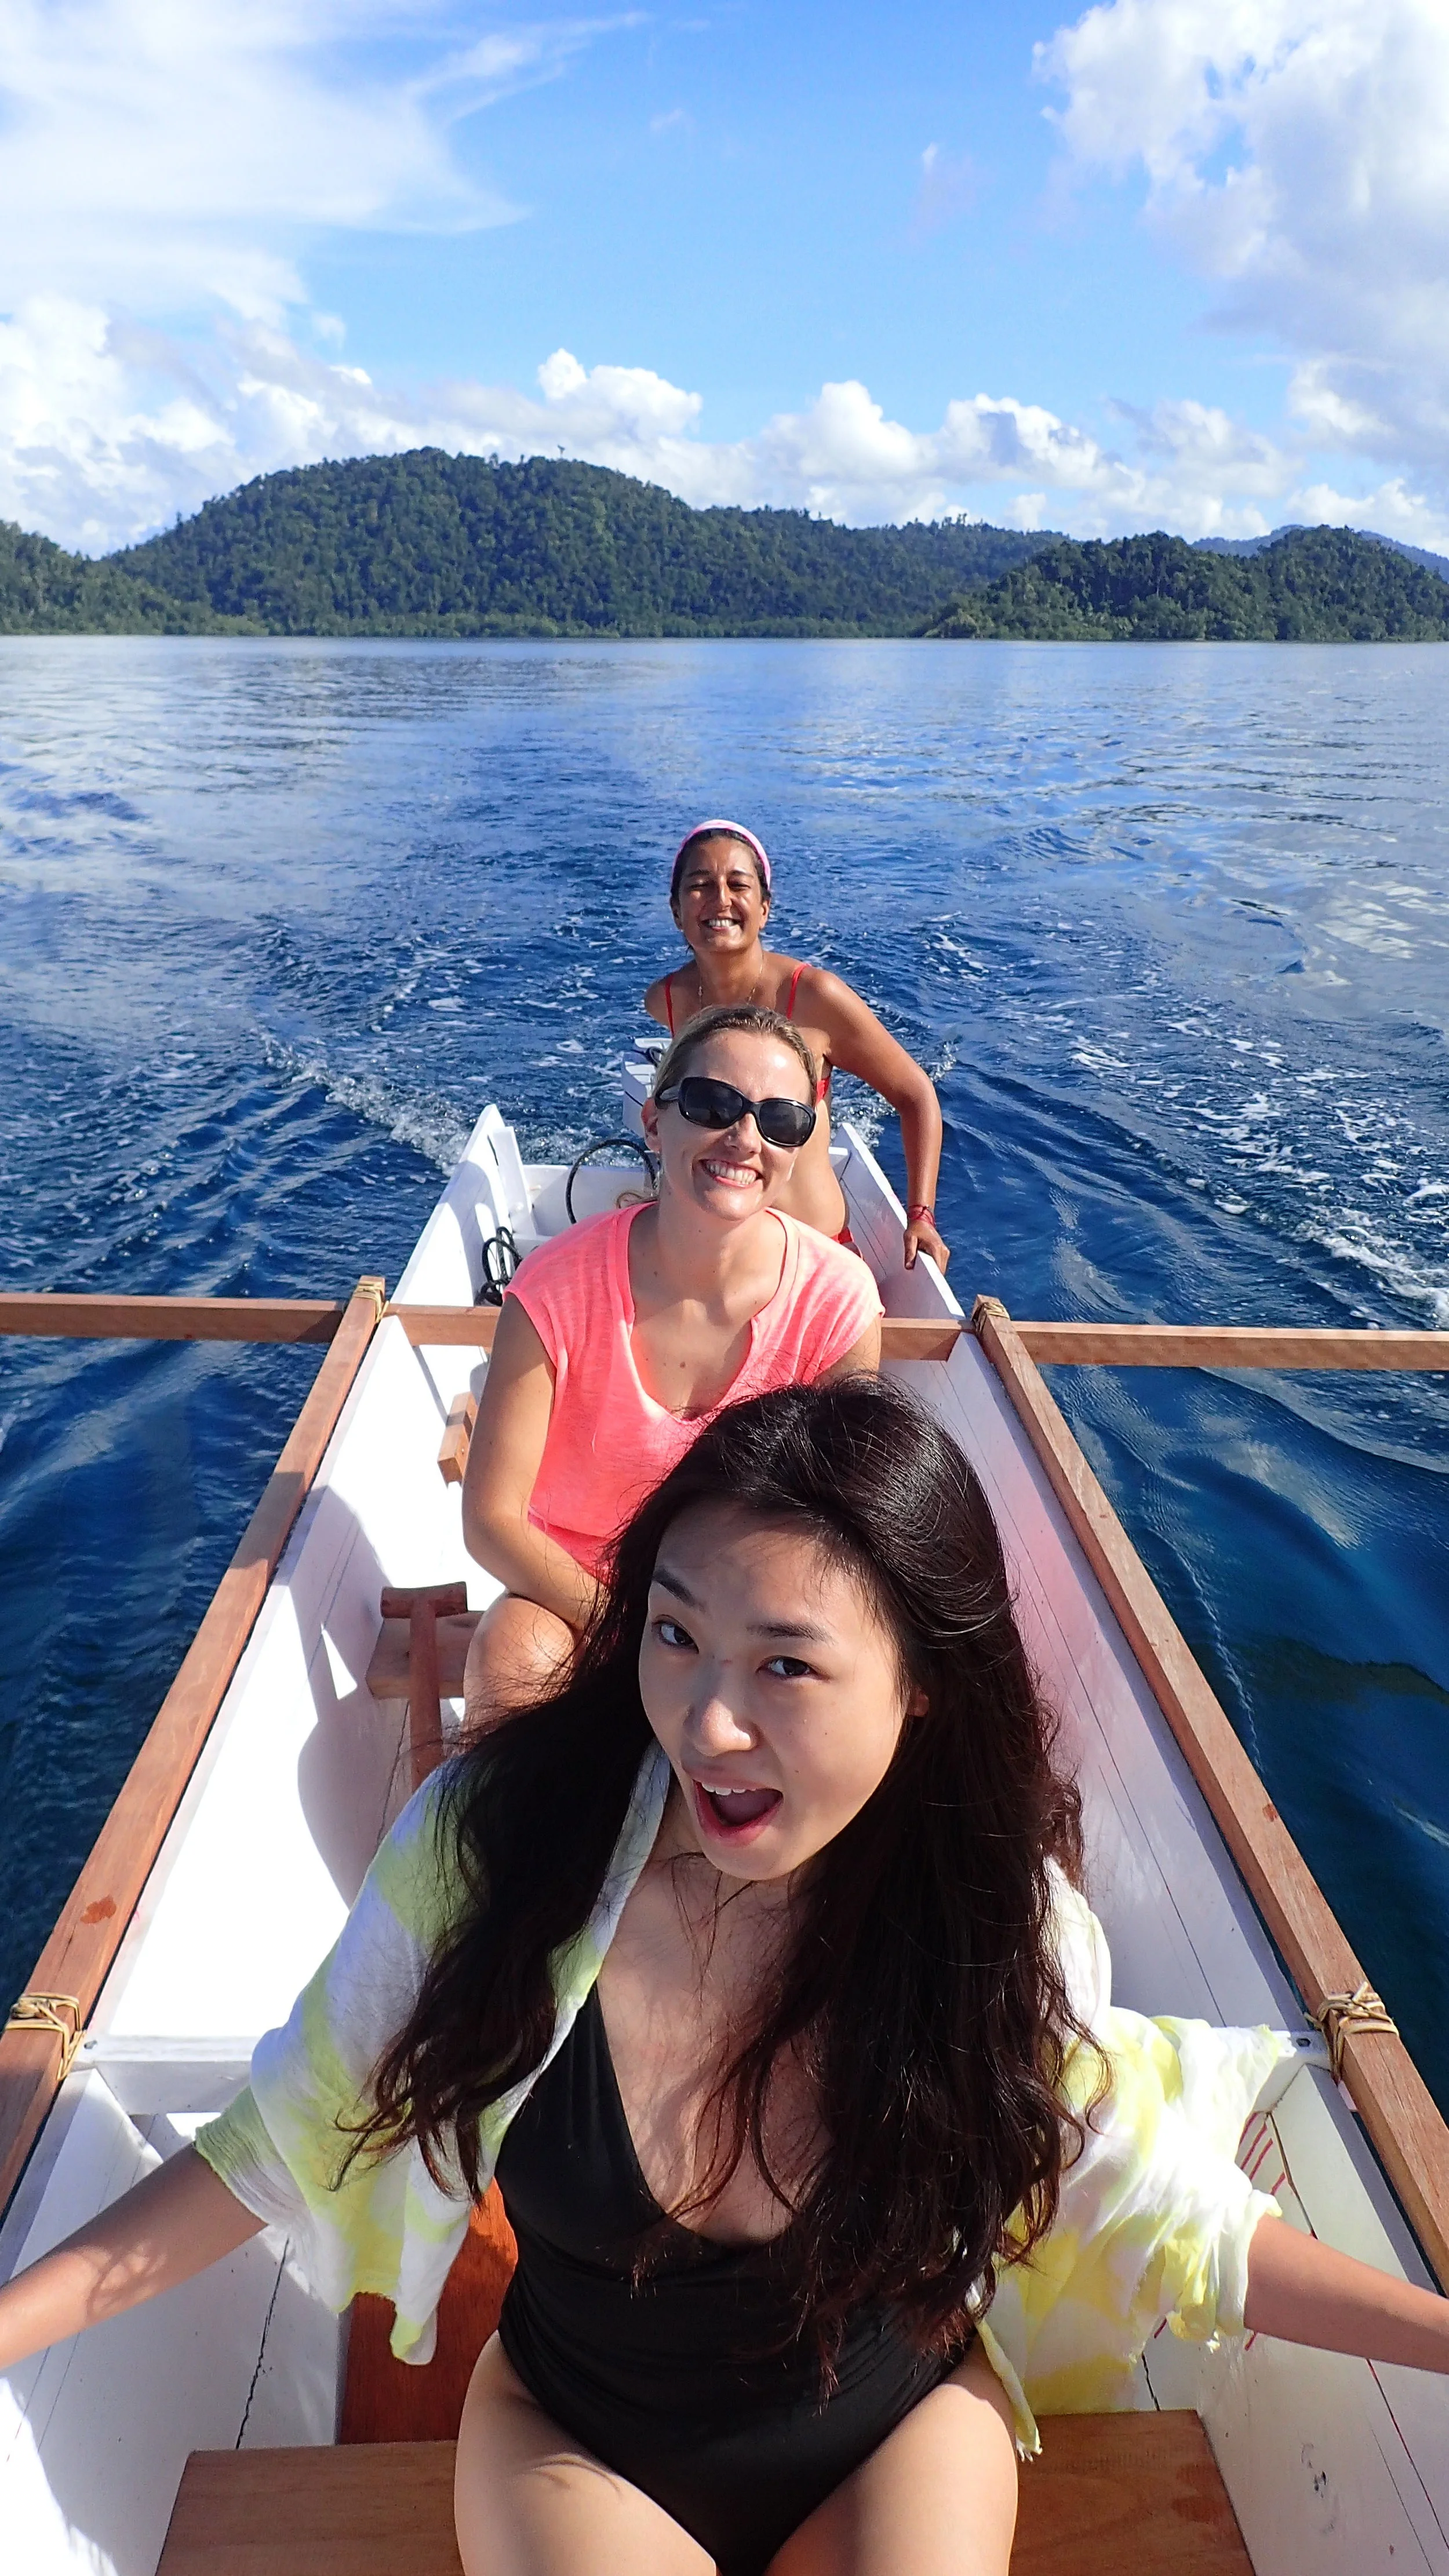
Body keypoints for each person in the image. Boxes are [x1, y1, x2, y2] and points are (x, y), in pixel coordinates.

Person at [3, 1378, 1446, 2576]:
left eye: (786, 1667)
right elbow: (279, 2140)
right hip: (578, 2436)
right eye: (677, 1631)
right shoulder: (499, 1851)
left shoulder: (991, 1923)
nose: (706, 1719)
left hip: (898, 2431)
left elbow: (1175, 2218)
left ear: (921, 1683)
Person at [460, 1002, 882, 1727]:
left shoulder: (838, 1301)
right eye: (714, 1103)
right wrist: (638, 1628)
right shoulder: (555, 1286)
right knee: (512, 1653)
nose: (745, 1138)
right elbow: (492, 1518)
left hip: (750, 1614)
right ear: (656, 1120)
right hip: (578, 1596)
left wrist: (717, 1643)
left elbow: (843, 1526)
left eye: (780, 1120)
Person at [643, 820, 951, 1275]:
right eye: (700, 885)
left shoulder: (815, 998)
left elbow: (915, 1095)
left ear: (764, 908)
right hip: (712, 1251)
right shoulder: (667, 1000)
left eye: (737, 885)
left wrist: (921, 1215)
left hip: (813, 1256)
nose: (720, 899)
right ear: (676, 910)